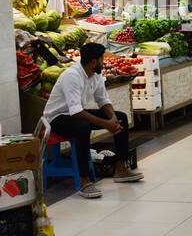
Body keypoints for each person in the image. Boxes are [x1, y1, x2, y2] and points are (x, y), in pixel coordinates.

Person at [43, 42, 142, 198]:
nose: (103, 62)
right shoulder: (72, 76)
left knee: (121, 117)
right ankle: (84, 180)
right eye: (102, 59)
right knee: (83, 127)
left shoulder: (95, 75)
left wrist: (113, 118)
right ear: (94, 61)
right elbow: (76, 112)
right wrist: (106, 124)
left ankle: (121, 168)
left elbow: (103, 100)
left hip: (75, 113)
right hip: (56, 118)